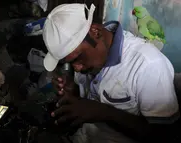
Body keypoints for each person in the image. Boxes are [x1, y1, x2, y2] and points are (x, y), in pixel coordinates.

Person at [42, 3, 180, 143]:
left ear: (96, 32)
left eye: (77, 58)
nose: (76, 68)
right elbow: (90, 102)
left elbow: (165, 136)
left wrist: (104, 113)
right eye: (70, 62)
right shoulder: (89, 58)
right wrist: (75, 92)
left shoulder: (148, 65)